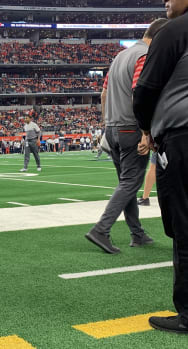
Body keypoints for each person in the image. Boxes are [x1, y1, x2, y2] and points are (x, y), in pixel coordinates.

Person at [85, 18, 168, 254]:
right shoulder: (144, 56)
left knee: (126, 183)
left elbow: (103, 94)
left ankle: (137, 233)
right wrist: (146, 132)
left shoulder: (119, 57)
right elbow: (138, 93)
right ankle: (101, 229)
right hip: (131, 128)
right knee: (131, 182)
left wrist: (106, 123)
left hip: (113, 127)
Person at [133, 1, 188, 333]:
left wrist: (147, 128)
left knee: (183, 226)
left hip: (181, 139)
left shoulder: (174, 31)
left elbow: (145, 90)